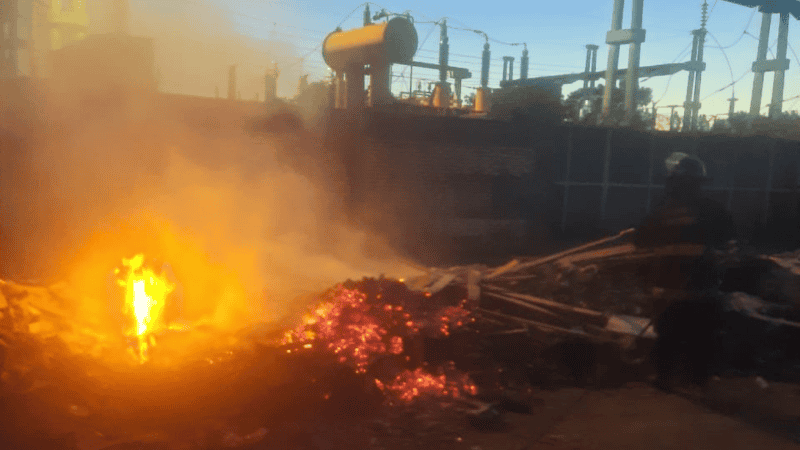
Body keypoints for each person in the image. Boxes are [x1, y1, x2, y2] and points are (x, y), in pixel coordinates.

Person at [634, 152, 737, 391]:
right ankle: (697, 379)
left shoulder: (661, 212)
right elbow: (730, 250)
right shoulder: (715, 211)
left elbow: (641, 243)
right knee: (701, 338)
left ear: (674, 183)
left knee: (669, 336)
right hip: (703, 290)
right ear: (700, 183)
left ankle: (665, 378)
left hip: (669, 289)